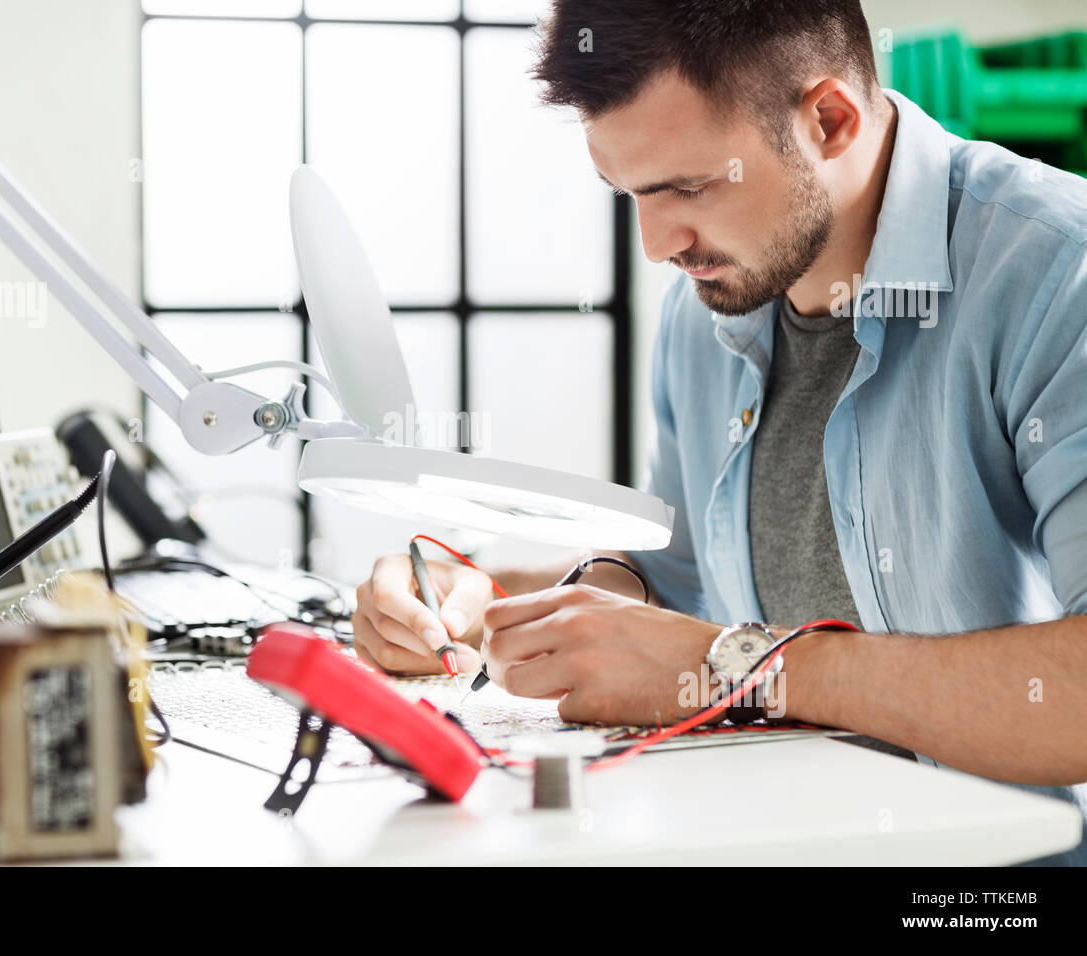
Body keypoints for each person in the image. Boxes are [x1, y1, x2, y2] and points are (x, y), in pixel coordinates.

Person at [352, 0, 1087, 864]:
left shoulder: (1056, 273)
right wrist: (484, 595)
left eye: (689, 187)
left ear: (829, 120)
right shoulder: (706, 315)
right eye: (629, 193)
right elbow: (682, 577)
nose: (657, 243)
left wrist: (741, 667)